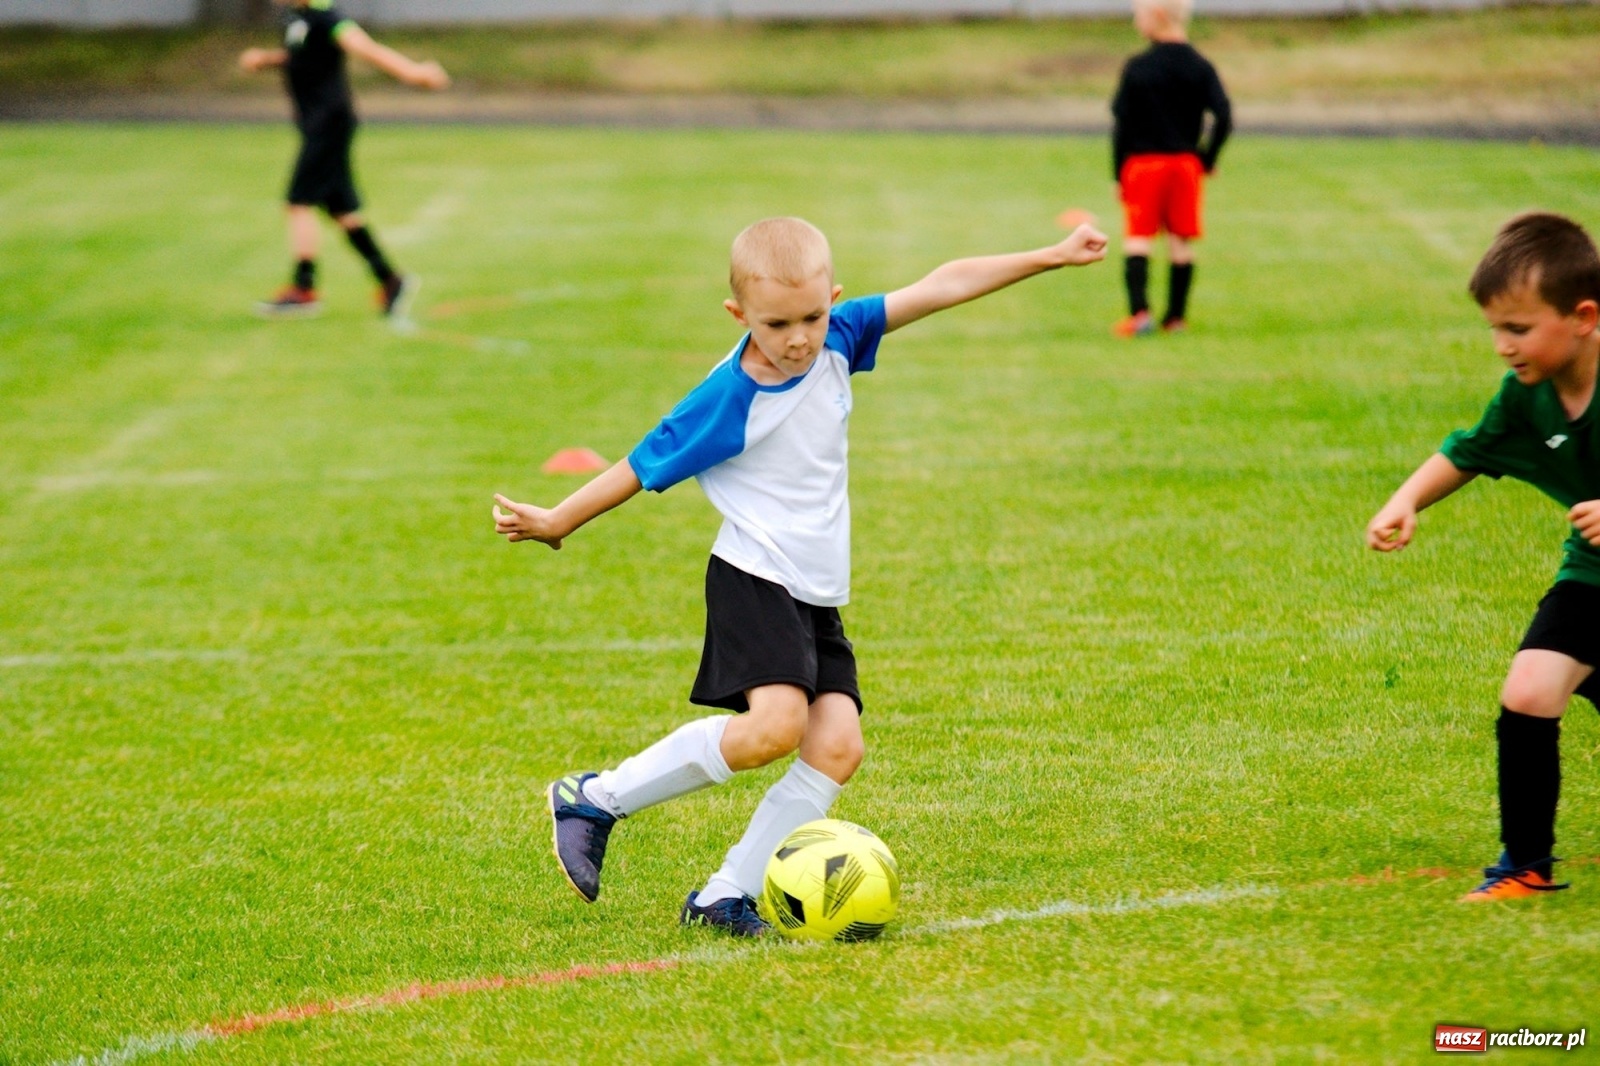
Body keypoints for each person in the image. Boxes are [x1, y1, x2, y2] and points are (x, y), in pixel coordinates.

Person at [493, 216, 1107, 935]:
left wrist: (1052, 256)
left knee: (838, 746)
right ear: (738, 316)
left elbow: (941, 286)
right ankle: (596, 797)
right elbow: (639, 464)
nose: (799, 338)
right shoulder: (731, 398)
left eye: (812, 317)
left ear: (833, 299)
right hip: (754, 572)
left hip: (813, 588)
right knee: (775, 727)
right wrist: (559, 519)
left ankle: (723, 896)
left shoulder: (840, 340)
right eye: (777, 323)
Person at [1367, 212, 1600, 901]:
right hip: (1592, 574)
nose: (1503, 346)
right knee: (1529, 692)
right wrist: (1405, 501)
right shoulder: (1527, 395)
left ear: (1584, 315)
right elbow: (1468, 451)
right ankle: (1526, 866)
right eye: (1495, 329)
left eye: (1519, 329)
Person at [239, 0, 449, 319]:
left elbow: (364, 47)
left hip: (329, 123)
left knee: (298, 202)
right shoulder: (298, 17)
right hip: (318, 124)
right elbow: (304, 57)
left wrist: (412, 72)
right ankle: (390, 279)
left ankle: (303, 289)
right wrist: (266, 60)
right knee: (342, 210)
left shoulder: (328, 16)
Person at [1109, 0, 1231, 337]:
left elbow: (1122, 124)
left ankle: (1140, 314)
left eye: (1138, 16)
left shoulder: (1138, 67)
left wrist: (1118, 173)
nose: (1136, 23)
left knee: (1138, 239)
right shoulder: (1200, 66)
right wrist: (1206, 159)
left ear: (1158, 16)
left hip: (1143, 164)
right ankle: (1176, 318)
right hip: (1184, 165)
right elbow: (1223, 115)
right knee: (1181, 241)